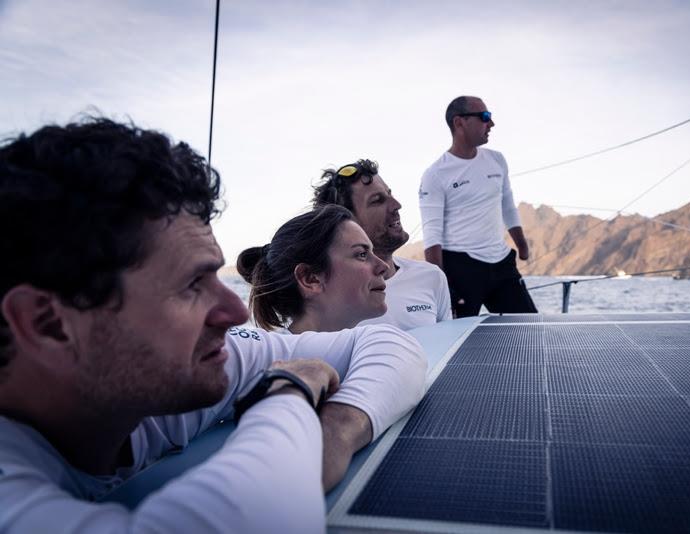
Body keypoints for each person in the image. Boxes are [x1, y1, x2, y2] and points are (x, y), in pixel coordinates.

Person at [0, 118, 426, 533]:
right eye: (190, 285)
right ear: (49, 325)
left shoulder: (174, 366)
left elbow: (389, 344)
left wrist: (336, 431)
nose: (236, 311)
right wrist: (285, 395)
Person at [419, 96, 538, 317]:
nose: (491, 124)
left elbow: (507, 206)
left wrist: (522, 246)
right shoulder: (436, 174)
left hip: (501, 264)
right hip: (461, 269)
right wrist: (442, 288)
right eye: (485, 117)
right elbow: (432, 235)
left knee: (529, 328)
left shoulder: (497, 160)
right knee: (457, 340)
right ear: (459, 122)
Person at [313, 159, 452, 330]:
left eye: (389, 194)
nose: (396, 205)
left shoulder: (431, 277)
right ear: (347, 223)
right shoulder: (328, 300)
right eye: (377, 200)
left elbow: (448, 346)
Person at [237, 204, 390, 333]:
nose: (384, 266)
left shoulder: (364, 349)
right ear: (310, 278)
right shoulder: (279, 363)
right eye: (362, 254)